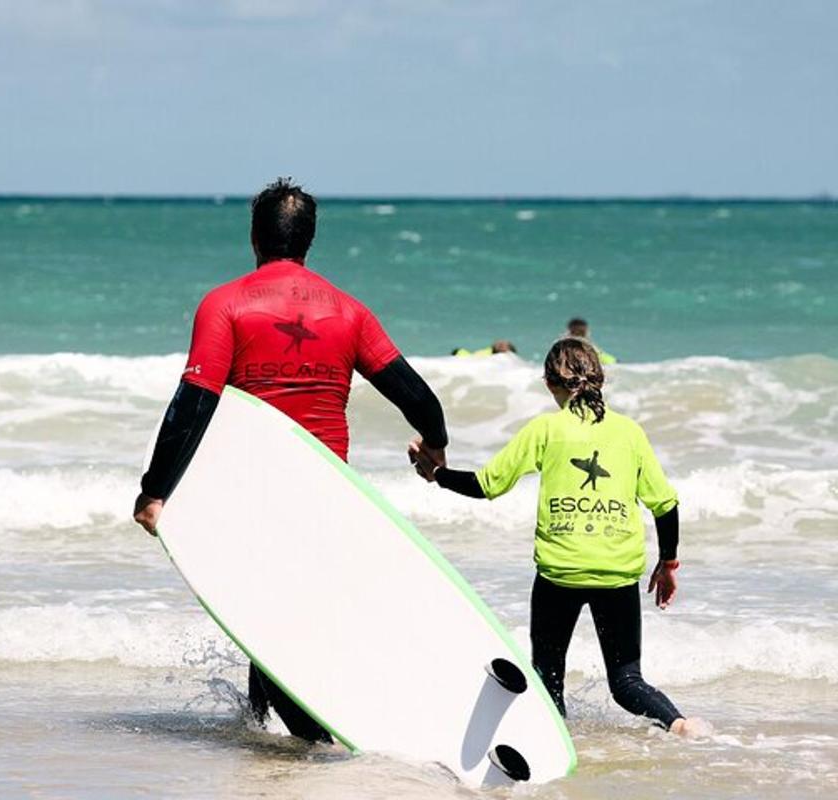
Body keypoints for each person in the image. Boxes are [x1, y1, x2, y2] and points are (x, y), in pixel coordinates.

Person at [133, 178, 449, 743]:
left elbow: (194, 402)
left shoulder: (226, 304)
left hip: (253, 494)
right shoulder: (350, 312)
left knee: (267, 622)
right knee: (284, 620)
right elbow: (417, 396)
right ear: (309, 240)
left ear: (255, 237)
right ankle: (263, 743)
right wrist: (435, 446)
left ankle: (320, 742)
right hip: (330, 496)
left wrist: (156, 489)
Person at [409, 338, 707, 736]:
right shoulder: (629, 433)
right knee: (626, 683)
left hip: (559, 575)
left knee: (548, 679)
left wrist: (437, 476)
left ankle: (553, 749)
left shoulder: (546, 429)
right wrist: (668, 563)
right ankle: (680, 725)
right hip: (616, 573)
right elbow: (665, 504)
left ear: (550, 383)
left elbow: (487, 484)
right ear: (599, 380)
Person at [451, 339, 518, 357]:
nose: (500, 344)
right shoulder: (490, 351)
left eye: (503, 345)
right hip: (465, 356)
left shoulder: (502, 356)